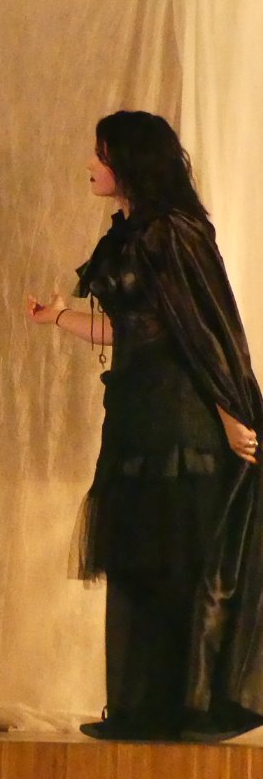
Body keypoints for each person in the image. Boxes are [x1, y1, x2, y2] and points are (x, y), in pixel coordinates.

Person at [28, 110, 263, 742]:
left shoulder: (173, 234)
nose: (91, 164)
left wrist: (231, 416)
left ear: (129, 162)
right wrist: (59, 319)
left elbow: (205, 333)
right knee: (139, 561)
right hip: (138, 415)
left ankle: (186, 706)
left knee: (177, 563)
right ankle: (140, 708)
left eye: (101, 154)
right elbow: (135, 329)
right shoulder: (133, 236)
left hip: (180, 423)